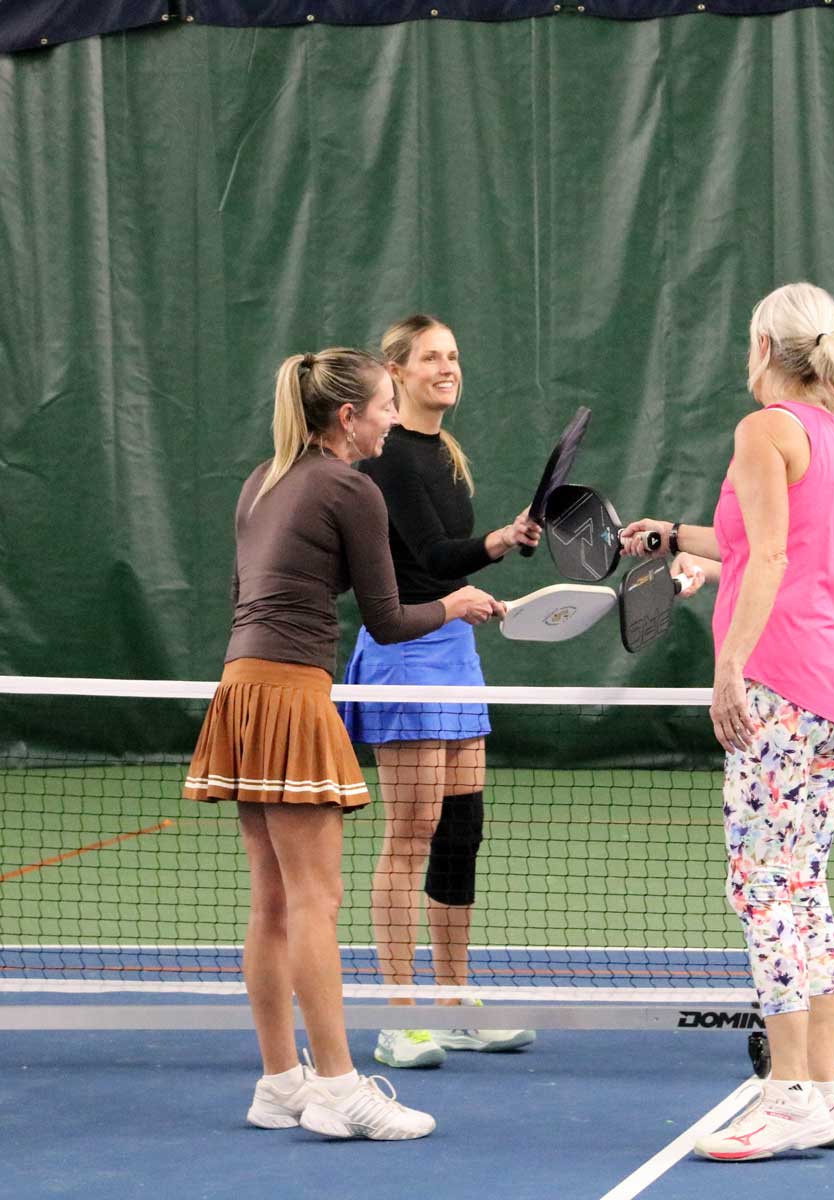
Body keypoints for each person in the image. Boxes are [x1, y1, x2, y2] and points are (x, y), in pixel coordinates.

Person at [183, 347, 502, 1140]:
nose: (395, 420)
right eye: (386, 405)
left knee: (273, 902)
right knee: (316, 903)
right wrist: (455, 603)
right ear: (349, 417)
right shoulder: (350, 486)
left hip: (240, 687)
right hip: (291, 693)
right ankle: (335, 1086)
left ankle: (278, 1081)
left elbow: (247, 593)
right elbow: (391, 619)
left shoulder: (262, 480)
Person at [622, 282, 834, 1161]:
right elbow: (771, 541)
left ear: (766, 343)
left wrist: (728, 665)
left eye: (746, 338)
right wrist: (672, 536)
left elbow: (769, 555)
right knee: (802, 884)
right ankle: (828, 1093)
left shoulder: (764, 429)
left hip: (780, 683)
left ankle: (787, 1093)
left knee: (762, 888)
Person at [340, 315, 537, 1069]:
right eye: (430, 358)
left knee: (461, 831)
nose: (446, 367)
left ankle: (453, 1000)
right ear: (397, 371)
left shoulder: (445, 454)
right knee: (410, 833)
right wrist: (497, 543)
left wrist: (485, 575)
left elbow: (444, 567)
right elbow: (425, 556)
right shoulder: (387, 461)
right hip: (404, 653)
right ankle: (400, 1013)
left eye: (453, 355)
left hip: (455, 650)